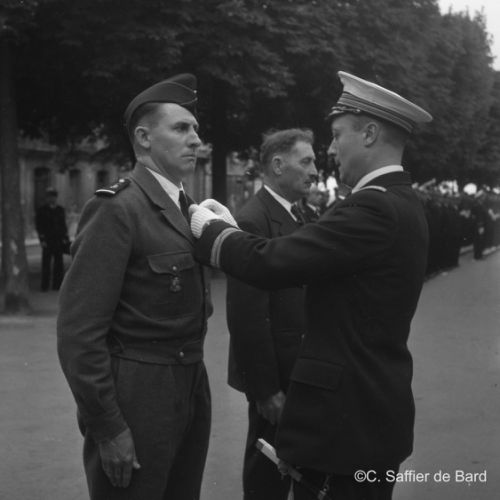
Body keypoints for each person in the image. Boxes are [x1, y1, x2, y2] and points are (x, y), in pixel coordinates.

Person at [190, 71, 432, 499]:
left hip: (344, 426)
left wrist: (209, 230)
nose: (331, 150)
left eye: (337, 136)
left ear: (370, 134)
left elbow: (271, 262)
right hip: (367, 413)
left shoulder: (373, 206)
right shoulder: (400, 200)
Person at [57, 74, 212, 500]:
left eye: (196, 128)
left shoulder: (185, 209)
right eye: (181, 128)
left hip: (190, 384)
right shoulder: (118, 209)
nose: (195, 139)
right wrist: (108, 427)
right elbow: (78, 332)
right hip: (139, 396)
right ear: (143, 138)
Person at [226, 128, 317, 499]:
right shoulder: (253, 220)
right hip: (277, 378)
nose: (314, 171)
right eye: (306, 161)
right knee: (267, 477)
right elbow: (247, 317)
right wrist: (265, 391)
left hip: (301, 370)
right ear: (278, 165)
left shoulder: (302, 214)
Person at [35, 187, 69, 291]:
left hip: (58, 240)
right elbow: (39, 226)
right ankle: (44, 286)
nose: (52, 199)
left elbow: (63, 225)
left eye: (53, 196)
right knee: (46, 264)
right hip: (48, 240)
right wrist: (42, 240)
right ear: (47, 198)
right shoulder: (42, 210)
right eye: (50, 197)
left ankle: (57, 285)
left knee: (59, 264)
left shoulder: (60, 210)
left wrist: (65, 238)